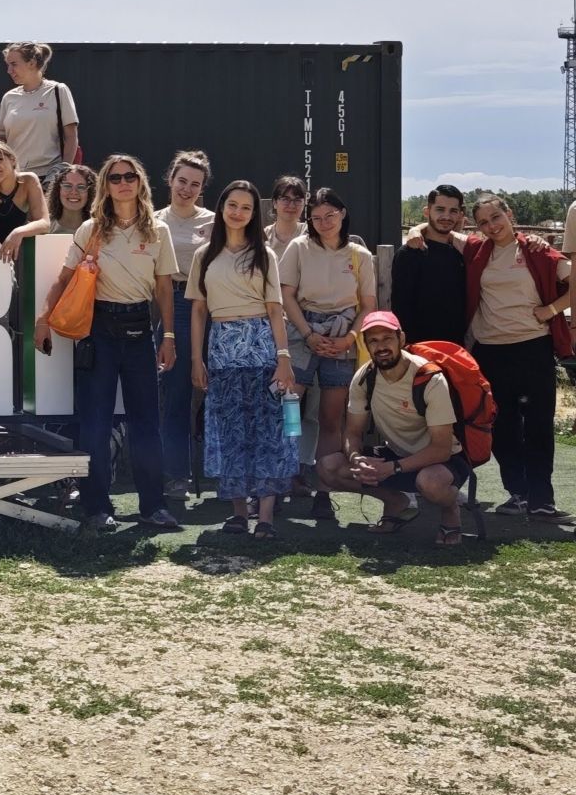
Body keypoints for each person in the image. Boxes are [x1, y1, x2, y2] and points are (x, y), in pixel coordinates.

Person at [33, 153, 179, 531]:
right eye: (115, 178)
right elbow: (63, 279)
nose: (123, 183)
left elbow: (164, 287)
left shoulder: (158, 231)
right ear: (106, 186)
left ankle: (153, 506)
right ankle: (96, 508)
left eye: (130, 176)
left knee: (146, 423)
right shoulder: (92, 229)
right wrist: (43, 320)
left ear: (140, 182)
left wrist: (168, 336)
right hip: (98, 330)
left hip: (140, 330)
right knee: (94, 424)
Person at [188, 180, 299, 538]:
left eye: (246, 207)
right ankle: (238, 512)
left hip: (262, 346)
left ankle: (265, 516)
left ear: (254, 214)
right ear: (221, 207)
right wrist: (196, 359)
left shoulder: (265, 255)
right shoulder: (203, 256)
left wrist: (284, 358)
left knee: (268, 431)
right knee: (230, 431)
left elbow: (275, 309)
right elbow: (198, 311)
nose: (238, 212)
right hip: (221, 349)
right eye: (232, 205)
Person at [319, 311, 473, 545]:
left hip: (443, 460)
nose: (381, 346)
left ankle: (450, 510)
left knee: (430, 483)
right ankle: (396, 502)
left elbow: (441, 449)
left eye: (387, 338)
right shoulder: (364, 377)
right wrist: (356, 458)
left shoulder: (429, 377)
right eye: (373, 340)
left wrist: (392, 468)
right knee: (329, 467)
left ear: (401, 339)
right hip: (396, 456)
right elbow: (352, 432)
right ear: (366, 345)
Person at [461, 194, 571, 520]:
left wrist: (551, 309)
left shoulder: (537, 250)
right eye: (483, 222)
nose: (491, 226)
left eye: (496, 217)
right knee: (501, 426)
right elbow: (432, 229)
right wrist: (414, 231)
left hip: (532, 347)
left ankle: (542, 501)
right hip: (490, 351)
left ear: (509, 214)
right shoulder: (476, 250)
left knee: (538, 425)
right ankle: (518, 494)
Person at [278, 186, 377, 521]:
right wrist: (307, 333)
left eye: (330, 215)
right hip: (301, 332)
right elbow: (286, 295)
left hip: (341, 336)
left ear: (342, 214)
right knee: (289, 409)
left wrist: (350, 338)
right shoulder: (299, 247)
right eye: (317, 217)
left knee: (331, 418)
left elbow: (368, 305)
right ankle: (283, 480)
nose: (324, 222)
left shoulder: (359, 255)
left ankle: (324, 488)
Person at [155, 150, 215, 493]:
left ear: (202, 188)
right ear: (170, 180)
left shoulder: (216, 222)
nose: (187, 189)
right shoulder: (154, 220)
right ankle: (177, 474)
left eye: (195, 184)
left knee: (218, 393)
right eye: (182, 181)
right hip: (174, 305)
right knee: (176, 392)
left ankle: (220, 474)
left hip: (214, 308)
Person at [392, 183, 469, 346]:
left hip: (457, 347)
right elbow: (401, 306)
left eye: (453, 211)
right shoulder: (410, 253)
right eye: (440, 209)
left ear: (460, 215)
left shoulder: (463, 252)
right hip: (421, 347)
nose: (446, 216)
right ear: (427, 211)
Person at [0, 43, 79, 175]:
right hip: (16, 176)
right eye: (8, 65)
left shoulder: (58, 90)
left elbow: (71, 136)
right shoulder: (8, 97)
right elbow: (2, 139)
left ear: (32, 63)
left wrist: (63, 172)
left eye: (14, 64)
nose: (9, 70)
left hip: (50, 175)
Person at [3, 160, 94, 265]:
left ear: (90, 192)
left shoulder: (99, 228)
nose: (74, 192)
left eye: (81, 187)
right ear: (58, 190)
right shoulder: (40, 226)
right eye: (67, 186)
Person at [265, 176, 308, 257]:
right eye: (285, 199)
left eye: (297, 200)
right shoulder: (263, 237)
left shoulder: (310, 234)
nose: (292, 205)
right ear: (274, 203)